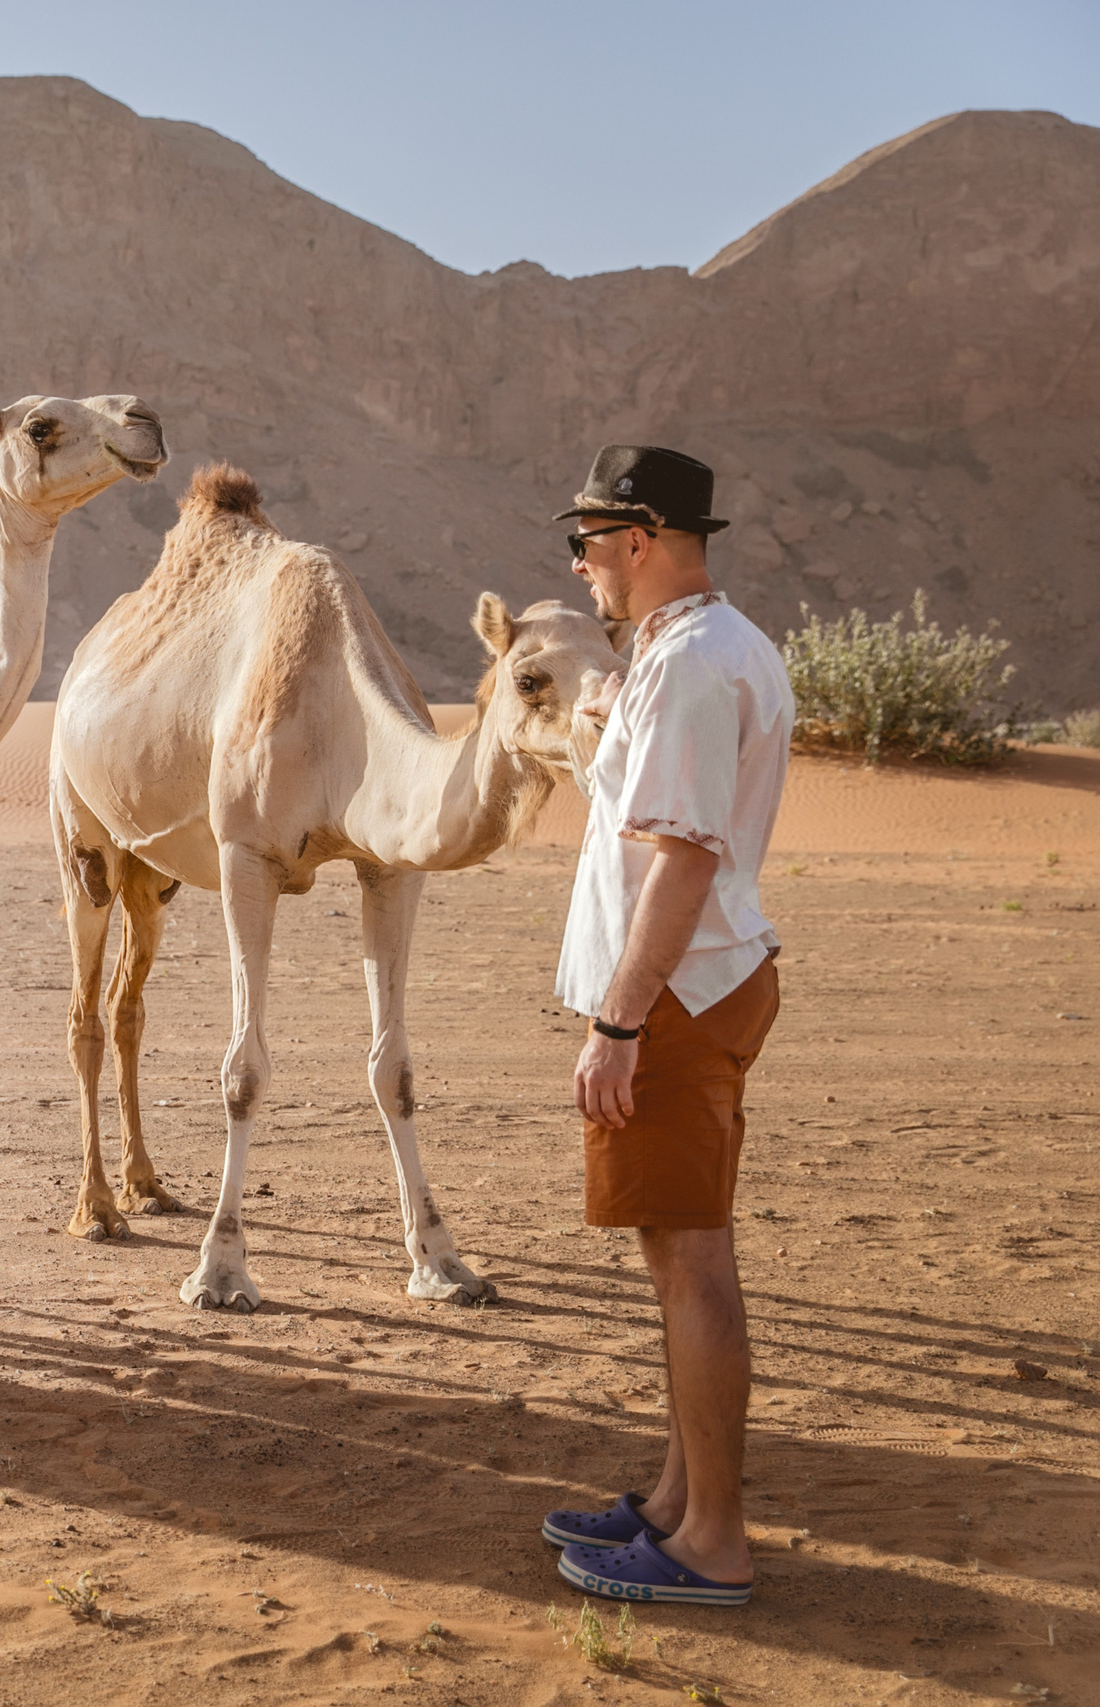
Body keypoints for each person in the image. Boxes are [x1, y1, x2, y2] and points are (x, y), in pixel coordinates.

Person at [538, 446, 792, 1608]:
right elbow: (652, 824)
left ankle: (712, 1546)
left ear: (638, 538)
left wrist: (620, 1024)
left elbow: (683, 862)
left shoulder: (691, 666)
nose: (579, 564)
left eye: (586, 541)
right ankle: (675, 1505)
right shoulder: (691, 651)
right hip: (695, 986)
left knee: (690, 1260)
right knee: (674, 1252)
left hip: (675, 997)